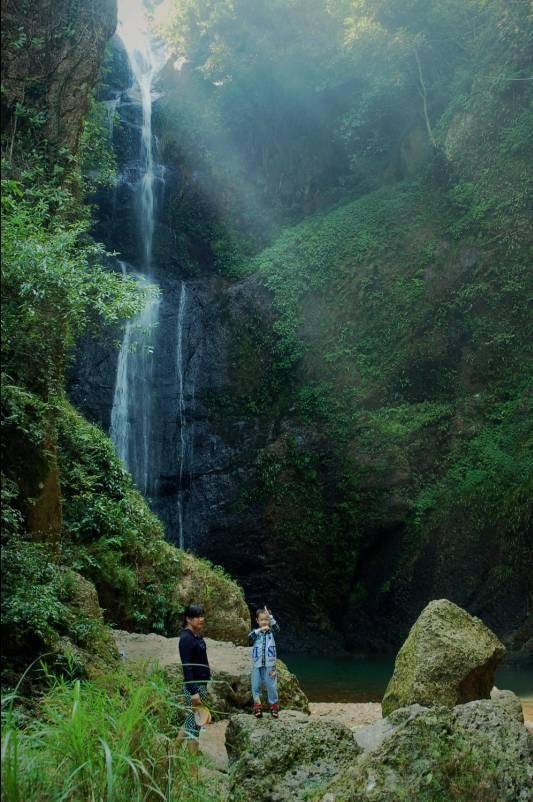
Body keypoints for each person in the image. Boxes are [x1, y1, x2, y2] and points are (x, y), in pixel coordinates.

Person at [178, 603, 211, 751]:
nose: (201, 619)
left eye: (202, 615)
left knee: (192, 720)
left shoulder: (195, 635)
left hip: (200, 684)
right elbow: (187, 666)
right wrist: (193, 692)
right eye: (197, 616)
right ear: (188, 619)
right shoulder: (186, 638)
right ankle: (192, 763)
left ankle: (174, 748)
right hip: (194, 687)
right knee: (194, 725)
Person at [249, 606, 280, 719]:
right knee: (256, 685)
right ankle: (257, 706)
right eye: (262, 620)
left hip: (270, 664)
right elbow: (249, 637)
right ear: (257, 621)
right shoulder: (255, 633)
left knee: (271, 685)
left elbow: (277, 628)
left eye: (266, 619)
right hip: (257, 664)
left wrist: (271, 617)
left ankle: (274, 706)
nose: (264, 622)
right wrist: (259, 630)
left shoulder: (272, 632)